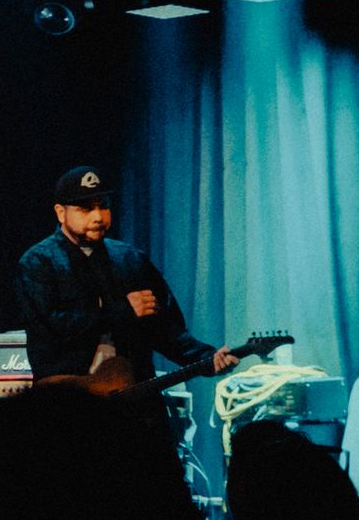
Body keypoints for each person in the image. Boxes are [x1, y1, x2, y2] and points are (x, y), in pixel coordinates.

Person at [14, 167, 235, 415]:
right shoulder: (39, 263)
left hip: (136, 400)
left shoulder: (131, 259)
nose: (98, 217)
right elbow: (53, 328)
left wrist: (207, 358)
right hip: (67, 404)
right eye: (85, 209)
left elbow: (165, 330)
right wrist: (122, 311)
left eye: (103, 206)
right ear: (60, 212)